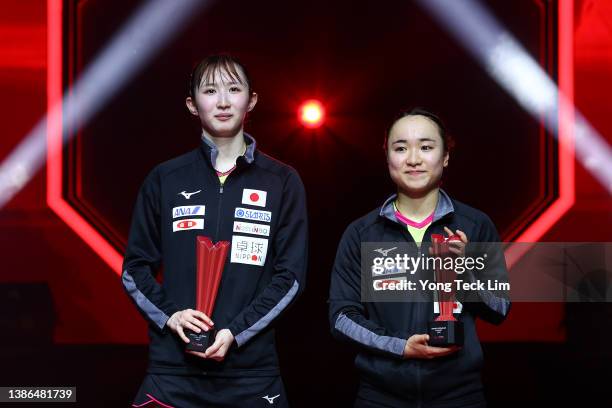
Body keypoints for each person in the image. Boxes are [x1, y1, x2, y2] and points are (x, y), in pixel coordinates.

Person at [122, 54, 308, 407]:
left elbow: (291, 277)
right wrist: (171, 315)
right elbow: (135, 268)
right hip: (172, 373)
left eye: (234, 89)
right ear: (193, 105)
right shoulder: (165, 178)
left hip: (251, 374)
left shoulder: (282, 181)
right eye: (210, 91)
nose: (223, 101)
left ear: (251, 99)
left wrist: (237, 332)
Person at [328, 108, 510, 407]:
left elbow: (500, 308)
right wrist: (401, 347)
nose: (413, 159)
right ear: (387, 157)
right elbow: (341, 319)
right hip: (380, 397)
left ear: (446, 156)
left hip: (460, 396)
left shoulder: (475, 226)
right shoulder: (361, 233)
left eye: (426, 147)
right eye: (400, 148)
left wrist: (465, 273)